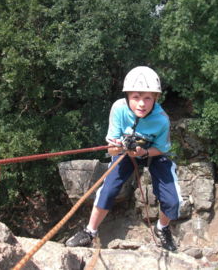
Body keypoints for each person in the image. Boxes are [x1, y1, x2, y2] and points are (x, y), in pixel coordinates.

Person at [65, 66, 182, 251]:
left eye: (147, 98)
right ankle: (90, 232)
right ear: (127, 96)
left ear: (155, 99)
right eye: (136, 97)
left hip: (153, 154)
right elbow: (111, 150)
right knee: (108, 190)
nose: (141, 104)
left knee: (172, 200)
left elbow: (161, 149)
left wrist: (143, 152)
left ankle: (163, 228)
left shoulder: (161, 119)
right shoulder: (119, 109)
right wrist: (119, 148)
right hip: (125, 153)